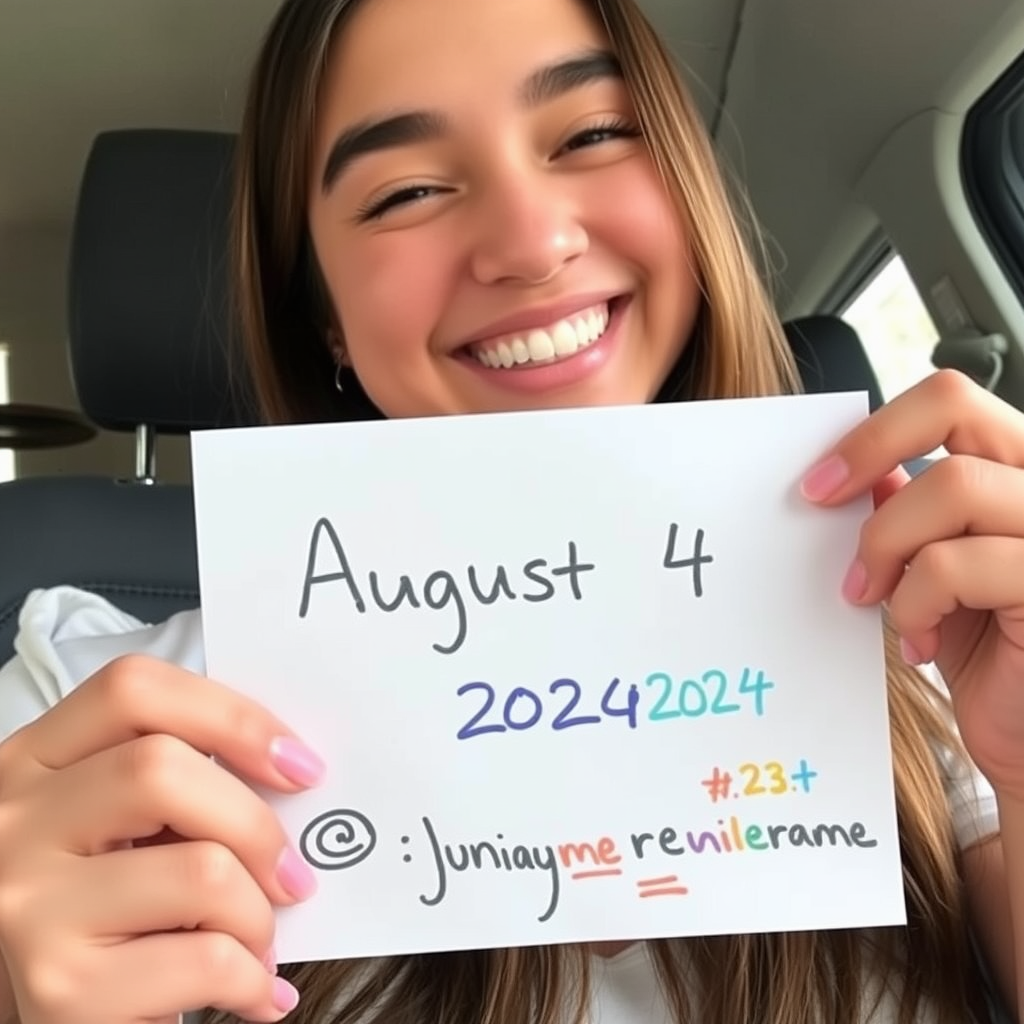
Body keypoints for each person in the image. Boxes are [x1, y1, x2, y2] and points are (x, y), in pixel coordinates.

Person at [0, 0, 1023, 1021]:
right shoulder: (76, 722)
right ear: (326, 322)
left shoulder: (934, 653)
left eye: (592, 134)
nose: (531, 244)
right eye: (406, 191)